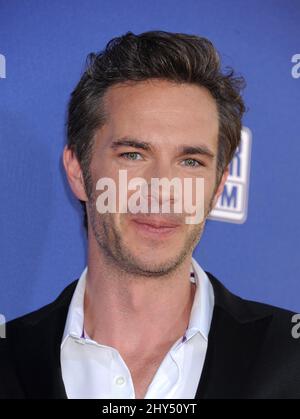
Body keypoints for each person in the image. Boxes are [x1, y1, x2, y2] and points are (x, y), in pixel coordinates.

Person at [1, 30, 299, 399]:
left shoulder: (291, 358)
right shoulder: (7, 360)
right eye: (133, 155)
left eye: (190, 161)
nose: (162, 190)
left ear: (218, 188)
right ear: (78, 171)